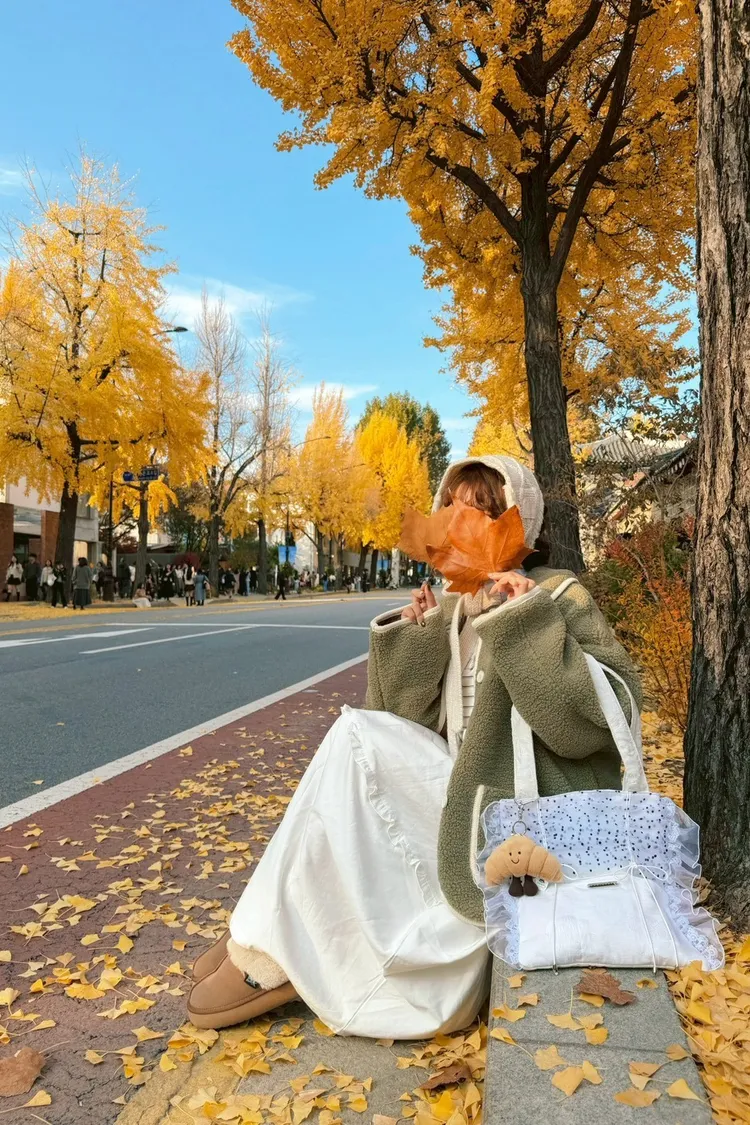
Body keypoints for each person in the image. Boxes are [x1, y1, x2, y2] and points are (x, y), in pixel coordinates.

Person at [185, 454, 644, 1036]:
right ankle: (261, 935)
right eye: (451, 508)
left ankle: (264, 948)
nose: (461, 524)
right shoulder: (454, 604)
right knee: (355, 740)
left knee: (353, 740)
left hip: (520, 814)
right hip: (456, 790)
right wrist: (418, 641)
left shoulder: (556, 594)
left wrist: (525, 619)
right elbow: (398, 727)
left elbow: (598, 724)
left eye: (481, 511)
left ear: (520, 522)